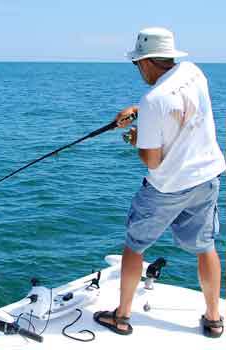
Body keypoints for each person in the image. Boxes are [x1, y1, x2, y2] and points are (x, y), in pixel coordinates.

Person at [93, 27, 225, 338]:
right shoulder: (194, 73)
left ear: (148, 61)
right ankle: (214, 318)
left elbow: (152, 160)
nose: (137, 69)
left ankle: (122, 317)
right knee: (205, 247)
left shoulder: (153, 100)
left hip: (167, 188)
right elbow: (179, 109)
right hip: (207, 177)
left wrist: (138, 138)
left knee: (134, 247)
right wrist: (138, 112)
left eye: (137, 63)